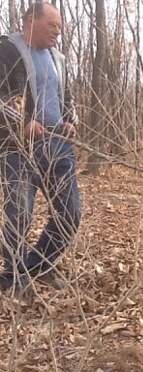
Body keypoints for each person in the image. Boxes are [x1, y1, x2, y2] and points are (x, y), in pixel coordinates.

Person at [0, 2, 80, 294]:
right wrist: (22, 125)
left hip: (58, 145)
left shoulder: (57, 57)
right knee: (19, 212)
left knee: (70, 212)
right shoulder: (6, 51)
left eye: (59, 27)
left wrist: (71, 120)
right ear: (30, 20)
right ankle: (13, 278)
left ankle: (37, 266)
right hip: (20, 147)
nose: (57, 32)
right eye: (52, 26)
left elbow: (66, 96)